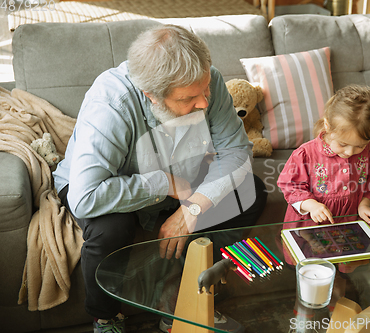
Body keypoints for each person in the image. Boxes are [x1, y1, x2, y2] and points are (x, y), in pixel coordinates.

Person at [53, 24, 267, 333]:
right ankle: (106, 318)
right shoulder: (111, 104)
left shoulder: (207, 82)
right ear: (151, 95)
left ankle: (179, 298)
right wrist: (164, 183)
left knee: (252, 191)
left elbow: (236, 153)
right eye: (189, 98)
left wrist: (192, 209)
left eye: (205, 90)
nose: (205, 103)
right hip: (104, 186)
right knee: (112, 229)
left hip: (179, 177)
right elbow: (86, 197)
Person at [277, 84, 370, 230]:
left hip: (349, 224)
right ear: (328, 126)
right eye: (343, 144)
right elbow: (291, 186)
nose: (350, 152)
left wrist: (364, 205)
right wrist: (312, 206)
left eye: (359, 146)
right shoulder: (305, 154)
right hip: (308, 227)